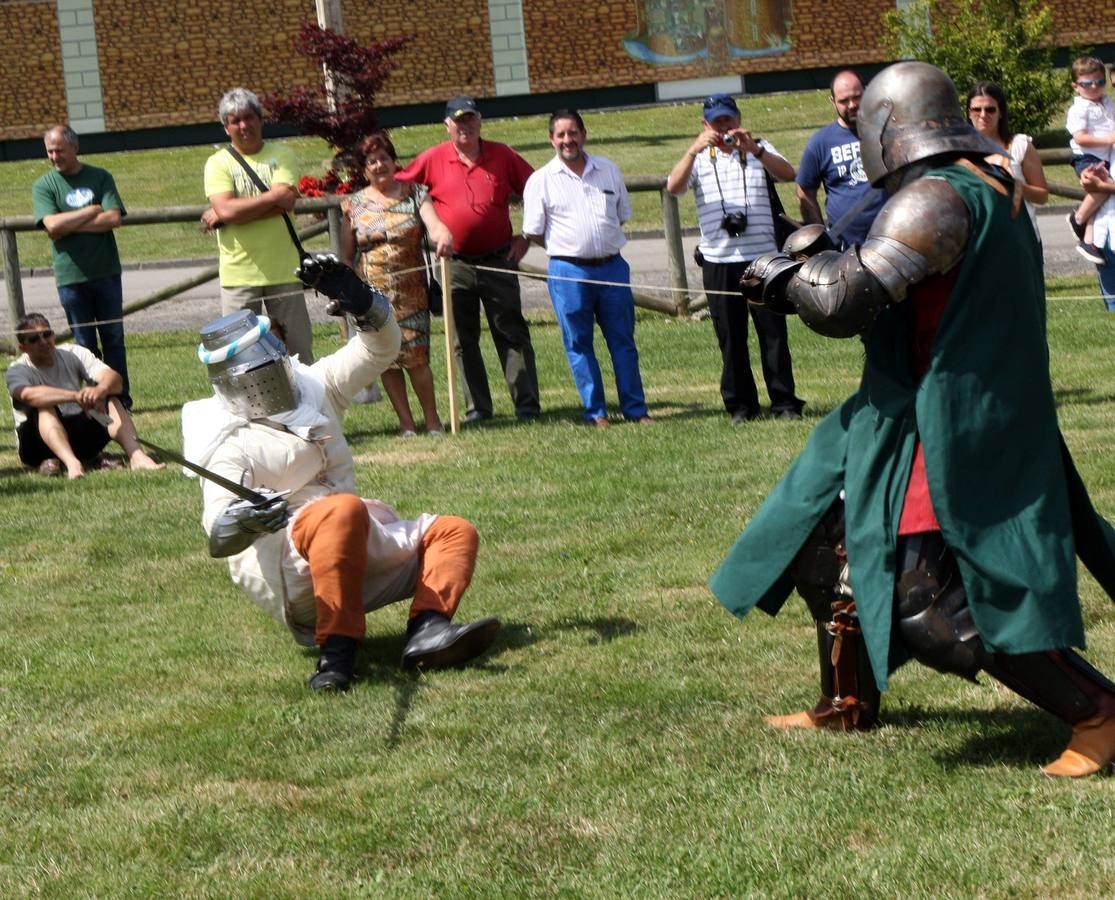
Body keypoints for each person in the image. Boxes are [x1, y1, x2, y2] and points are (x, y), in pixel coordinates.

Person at [712, 61, 1115, 778]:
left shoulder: (937, 196)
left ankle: (1097, 711)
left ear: (887, 129)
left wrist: (784, 280)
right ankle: (847, 700)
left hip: (954, 412)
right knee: (819, 539)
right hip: (903, 398)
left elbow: (845, 302)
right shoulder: (982, 178)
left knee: (928, 602)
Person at [184, 258, 499, 690]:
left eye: (274, 351)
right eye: (257, 365)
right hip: (293, 573)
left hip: (353, 542)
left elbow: (380, 349)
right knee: (340, 511)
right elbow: (218, 536)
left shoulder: (314, 384)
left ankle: (428, 630)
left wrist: (362, 300)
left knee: (452, 532)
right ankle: (337, 655)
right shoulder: (226, 441)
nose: (274, 367)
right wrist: (246, 519)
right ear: (233, 380)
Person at [395, 96, 541, 425]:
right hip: (455, 263)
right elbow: (400, 189)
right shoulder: (432, 159)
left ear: (480, 121)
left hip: (498, 259)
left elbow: (538, 190)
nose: (466, 126)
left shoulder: (502, 155)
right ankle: (478, 408)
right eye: (459, 121)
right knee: (463, 338)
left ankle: (527, 405)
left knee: (511, 331)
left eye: (471, 119)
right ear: (448, 125)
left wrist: (527, 236)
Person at [666, 93, 804, 424]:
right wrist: (692, 150)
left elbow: (789, 174)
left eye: (729, 120)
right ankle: (741, 406)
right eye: (718, 122)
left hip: (763, 258)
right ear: (705, 125)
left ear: (739, 119)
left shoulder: (760, 148)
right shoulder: (698, 158)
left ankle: (784, 402)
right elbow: (673, 187)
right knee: (730, 337)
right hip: (718, 260)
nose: (725, 127)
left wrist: (754, 150)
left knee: (772, 334)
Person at [522, 110, 651, 427]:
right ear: (552, 139)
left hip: (612, 269)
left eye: (573, 133)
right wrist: (569, 249)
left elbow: (620, 215)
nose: (568, 140)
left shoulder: (608, 170)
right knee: (579, 344)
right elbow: (535, 231)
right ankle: (597, 413)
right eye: (561, 135)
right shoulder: (540, 181)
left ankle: (636, 409)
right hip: (568, 273)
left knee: (623, 341)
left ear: (584, 134)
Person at [340, 131, 453, 437]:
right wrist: (344, 292)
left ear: (394, 161)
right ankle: (406, 424)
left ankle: (432, 421)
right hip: (372, 296)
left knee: (416, 358)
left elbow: (435, 225)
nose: (380, 165)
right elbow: (347, 257)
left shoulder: (416, 193)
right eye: (372, 161)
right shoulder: (354, 204)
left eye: (384, 159)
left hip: (412, 292)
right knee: (386, 361)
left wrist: (444, 236)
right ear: (364, 169)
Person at [200, 87, 314, 364]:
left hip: (284, 270)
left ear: (260, 119)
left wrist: (231, 212)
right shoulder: (217, 163)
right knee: (239, 358)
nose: (243, 125)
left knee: (299, 355)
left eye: (249, 117)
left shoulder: (283, 154)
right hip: (238, 276)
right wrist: (272, 198)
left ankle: (310, 407)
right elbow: (230, 208)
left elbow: (284, 203)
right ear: (226, 128)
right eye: (235, 120)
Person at [32, 124, 132, 408]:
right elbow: (52, 225)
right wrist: (91, 210)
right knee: (85, 344)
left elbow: (113, 219)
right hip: (70, 276)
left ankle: (121, 398)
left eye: (60, 150)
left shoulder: (100, 176)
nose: (54, 156)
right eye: (50, 151)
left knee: (113, 338)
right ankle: (95, 399)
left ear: (75, 148)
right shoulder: (44, 185)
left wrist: (68, 222)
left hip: (106, 272)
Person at [5, 313, 164, 479]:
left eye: (46, 334)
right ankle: (72, 463)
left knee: (111, 400)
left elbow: (116, 381)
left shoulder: (74, 353)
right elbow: (28, 395)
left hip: (79, 434)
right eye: (34, 339)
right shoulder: (17, 369)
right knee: (44, 406)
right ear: (23, 347)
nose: (43, 341)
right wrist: (76, 396)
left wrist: (99, 391)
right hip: (36, 445)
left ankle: (137, 456)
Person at [795, 70, 886, 248]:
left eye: (857, 97)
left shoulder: (887, 132)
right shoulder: (821, 142)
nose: (852, 105)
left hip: (894, 240)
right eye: (844, 101)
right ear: (833, 102)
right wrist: (820, 236)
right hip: (846, 248)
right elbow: (804, 191)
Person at [967, 81, 1049, 241]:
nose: (983, 115)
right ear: (969, 113)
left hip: (1020, 239)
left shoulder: (1020, 145)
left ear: (1001, 112)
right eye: (977, 109)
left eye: (990, 109)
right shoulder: (959, 151)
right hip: (978, 242)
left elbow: (1043, 196)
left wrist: (1017, 187)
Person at [1065, 57, 1115, 266]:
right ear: (1075, 86)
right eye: (1087, 84)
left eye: (1100, 82)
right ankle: (1077, 219)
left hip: (1104, 157)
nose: (1094, 87)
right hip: (1087, 157)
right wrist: (1109, 139)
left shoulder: (1107, 102)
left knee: (1101, 195)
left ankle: (1089, 241)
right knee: (1103, 189)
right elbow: (1080, 137)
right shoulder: (1079, 109)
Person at [1081, 162, 1115, 309]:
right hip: (1104, 232)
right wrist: (1087, 177)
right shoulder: (1108, 151)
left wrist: (1103, 186)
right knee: (1111, 305)